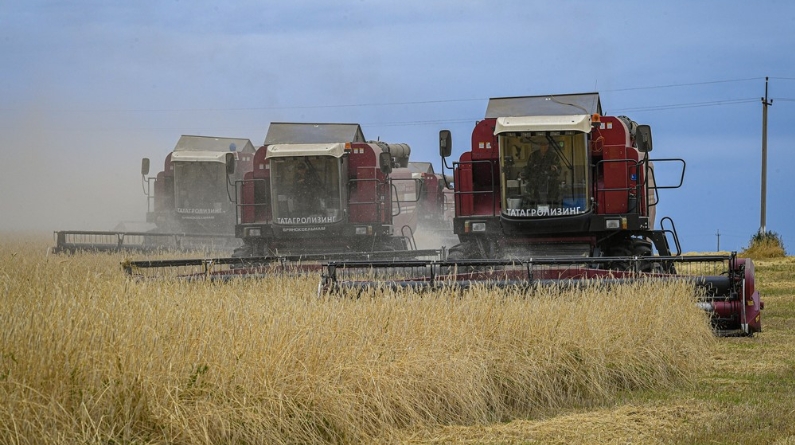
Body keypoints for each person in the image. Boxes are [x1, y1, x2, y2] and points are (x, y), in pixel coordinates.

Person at [520, 141, 561, 205]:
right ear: (540, 146)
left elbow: (558, 170)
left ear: (548, 145)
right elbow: (529, 168)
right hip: (535, 184)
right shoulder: (533, 155)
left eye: (546, 145)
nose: (544, 147)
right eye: (542, 145)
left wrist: (554, 169)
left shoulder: (553, 156)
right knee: (534, 200)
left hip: (550, 184)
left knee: (552, 200)